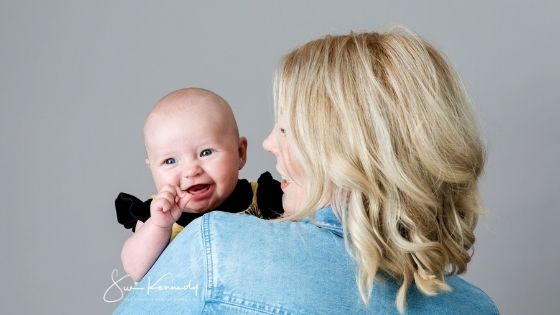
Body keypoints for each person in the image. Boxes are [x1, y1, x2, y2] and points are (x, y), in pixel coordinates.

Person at [114, 27, 498, 314]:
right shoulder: (478, 309)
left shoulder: (217, 249)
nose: (269, 143)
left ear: (336, 147)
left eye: (285, 128)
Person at [117, 87, 283, 282]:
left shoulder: (263, 197)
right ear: (151, 168)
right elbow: (135, 269)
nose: (191, 171)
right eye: (170, 161)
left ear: (240, 153)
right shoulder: (156, 215)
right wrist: (159, 226)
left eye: (206, 152)